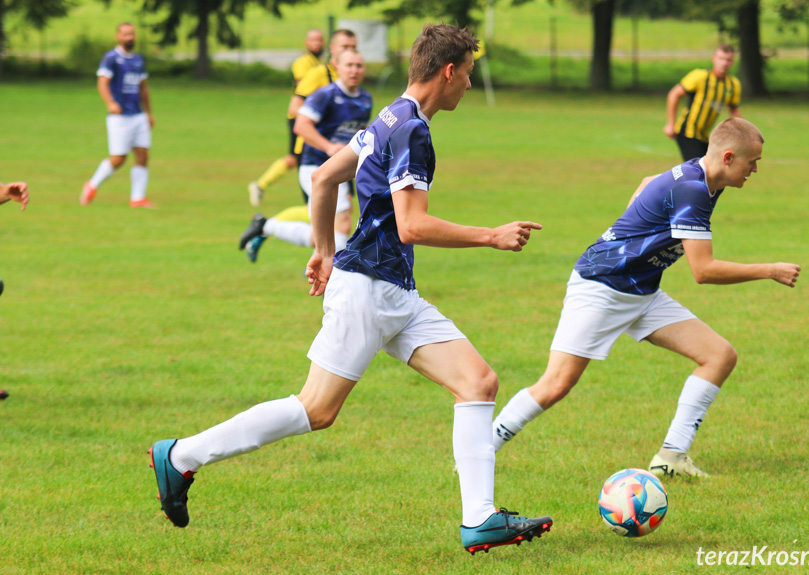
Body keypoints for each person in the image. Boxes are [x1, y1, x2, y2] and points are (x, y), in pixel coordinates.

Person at [149, 24, 552, 554]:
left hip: (393, 291)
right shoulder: (413, 131)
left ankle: (479, 519)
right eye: (469, 76)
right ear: (449, 71)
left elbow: (324, 178)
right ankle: (181, 456)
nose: (471, 87)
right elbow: (411, 226)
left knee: (478, 382)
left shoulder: (387, 116)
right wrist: (491, 235)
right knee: (317, 409)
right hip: (367, 290)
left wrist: (322, 249)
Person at [492, 118, 801, 479]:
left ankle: (671, 456)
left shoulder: (703, 176)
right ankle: (480, 449)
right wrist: (769, 270)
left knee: (719, 356)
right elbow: (703, 271)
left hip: (642, 290)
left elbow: (646, 184)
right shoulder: (695, 190)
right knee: (556, 384)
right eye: (753, 162)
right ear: (729, 158)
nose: (756, 169)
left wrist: (632, 229)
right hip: (602, 287)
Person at [239, 48, 372, 263]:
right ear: (337, 67)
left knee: (327, 232)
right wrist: (329, 147)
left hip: (339, 170)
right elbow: (301, 126)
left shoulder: (365, 98)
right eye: (349, 65)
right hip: (315, 167)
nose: (354, 70)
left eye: (359, 65)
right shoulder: (325, 95)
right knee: (340, 225)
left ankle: (267, 227)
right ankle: (328, 272)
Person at [247, 29, 356, 207]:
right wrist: (312, 127)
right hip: (315, 145)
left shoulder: (348, 75)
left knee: (344, 206)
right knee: (319, 206)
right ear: (333, 48)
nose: (349, 50)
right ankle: (266, 220)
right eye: (345, 46)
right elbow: (296, 106)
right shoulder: (314, 71)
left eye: (353, 47)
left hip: (340, 147)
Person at [81, 23, 156, 209]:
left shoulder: (139, 59)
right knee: (119, 158)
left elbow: (143, 88)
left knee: (143, 154)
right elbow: (102, 83)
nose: (129, 37)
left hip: (138, 114)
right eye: (125, 34)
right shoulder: (111, 58)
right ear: (118, 36)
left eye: (131, 33)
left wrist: (149, 112)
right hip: (119, 117)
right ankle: (92, 185)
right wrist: (111, 103)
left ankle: (137, 198)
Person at [664, 45, 742, 161]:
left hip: (705, 136)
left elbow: (733, 109)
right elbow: (674, 94)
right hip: (687, 132)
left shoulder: (732, 84)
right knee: (700, 171)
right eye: (721, 58)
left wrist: (741, 132)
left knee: (712, 171)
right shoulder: (699, 77)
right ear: (714, 59)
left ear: (732, 62)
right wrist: (670, 124)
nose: (724, 63)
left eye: (728, 60)